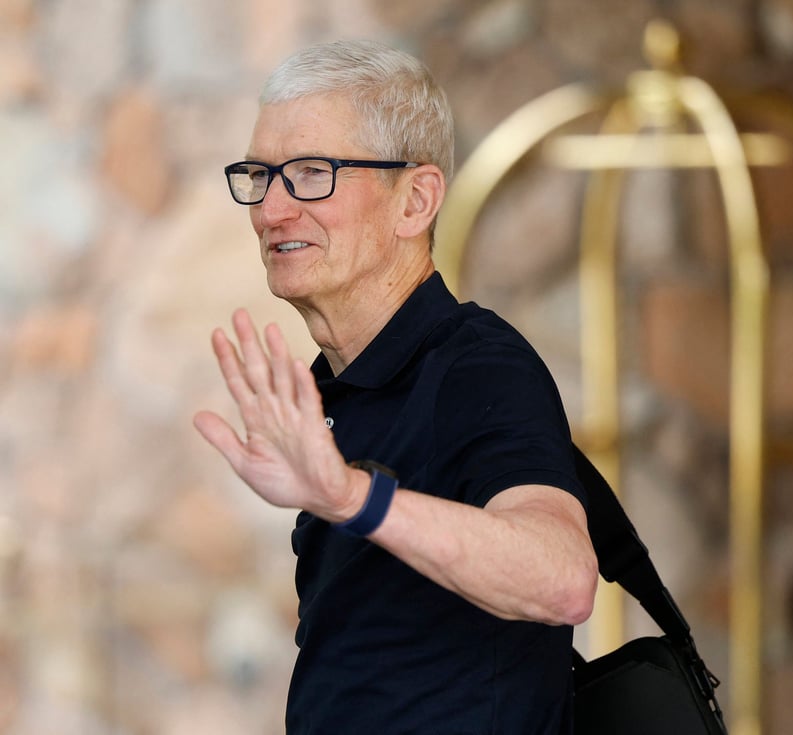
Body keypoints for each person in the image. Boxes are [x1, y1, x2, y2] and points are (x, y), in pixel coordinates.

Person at [193, 39, 598, 734]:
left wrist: (352, 497)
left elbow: (563, 578)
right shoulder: (334, 386)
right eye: (261, 175)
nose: (272, 210)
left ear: (415, 200)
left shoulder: (476, 364)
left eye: (312, 173)